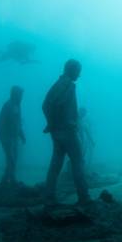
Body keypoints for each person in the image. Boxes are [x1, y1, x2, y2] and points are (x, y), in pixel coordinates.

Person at [42, 60, 90, 205]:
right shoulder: (67, 85)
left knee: (56, 164)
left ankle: (49, 196)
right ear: (72, 70)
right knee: (78, 161)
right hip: (67, 132)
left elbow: (46, 105)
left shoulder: (58, 84)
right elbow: (55, 105)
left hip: (57, 132)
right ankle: (84, 197)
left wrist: (51, 124)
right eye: (78, 71)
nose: (79, 75)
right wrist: (66, 122)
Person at [0, 86, 26, 184]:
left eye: (21, 95)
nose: (21, 97)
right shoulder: (8, 105)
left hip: (14, 137)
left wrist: (21, 135)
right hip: (7, 138)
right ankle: (11, 180)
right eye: (20, 94)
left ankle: (6, 179)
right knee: (11, 159)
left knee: (13, 159)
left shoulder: (17, 105)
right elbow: (0, 122)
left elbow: (17, 122)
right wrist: (3, 137)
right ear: (15, 94)